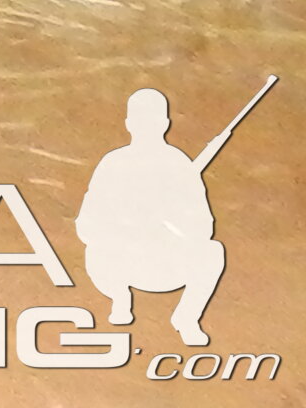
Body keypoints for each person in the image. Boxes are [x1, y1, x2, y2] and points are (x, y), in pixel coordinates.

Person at [75, 87, 230, 348]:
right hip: (120, 262)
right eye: (140, 120)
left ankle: (187, 318)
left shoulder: (179, 165)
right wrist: (125, 228)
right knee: (94, 252)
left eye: (152, 120)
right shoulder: (113, 163)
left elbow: (204, 226)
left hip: (167, 263)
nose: (146, 126)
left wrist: (171, 225)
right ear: (129, 124)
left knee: (213, 252)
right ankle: (120, 298)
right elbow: (86, 223)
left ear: (165, 124)